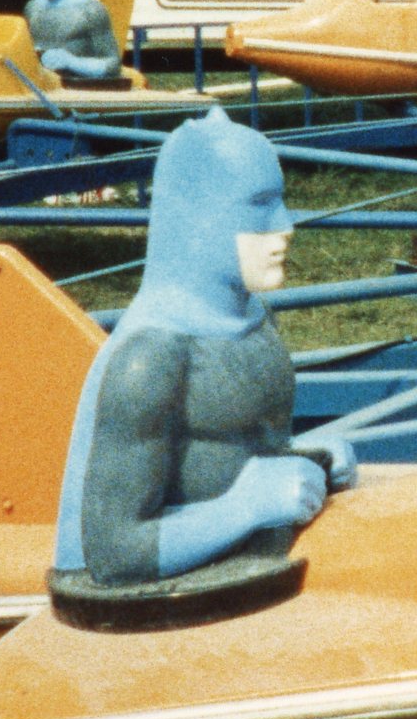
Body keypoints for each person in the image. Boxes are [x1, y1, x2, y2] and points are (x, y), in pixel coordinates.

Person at [51, 109, 354, 593]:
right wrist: (245, 507)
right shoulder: (151, 358)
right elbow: (112, 555)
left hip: (248, 567)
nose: (285, 225)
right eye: (259, 205)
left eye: (280, 201)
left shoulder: (256, 320)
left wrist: (309, 460)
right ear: (199, 219)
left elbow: (233, 458)